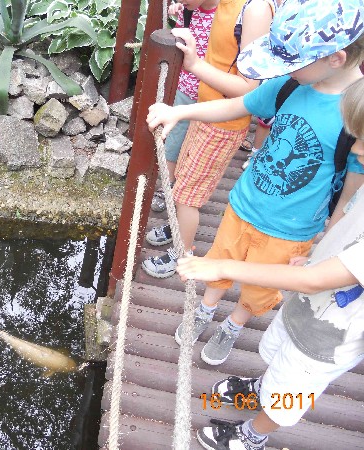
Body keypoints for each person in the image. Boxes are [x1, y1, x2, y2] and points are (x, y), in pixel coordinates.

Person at [146, 0, 364, 366]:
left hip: (292, 229)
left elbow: (349, 197)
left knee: (260, 288)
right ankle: (206, 308)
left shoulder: (356, 114)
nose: (284, 69)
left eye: (292, 61)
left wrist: (323, 249)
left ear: (335, 59)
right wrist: (181, 111)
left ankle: (234, 324)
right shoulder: (290, 85)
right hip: (243, 204)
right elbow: (239, 105)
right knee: (219, 261)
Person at [175, 76, 364, 450]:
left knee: (294, 387)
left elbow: (318, 279)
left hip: (332, 334)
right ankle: (263, 387)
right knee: (281, 357)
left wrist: (223, 268)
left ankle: (253, 434)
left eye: (363, 139)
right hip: (309, 307)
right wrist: (319, 252)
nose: (355, 147)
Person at [141, 0, 276, 269]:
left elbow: (251, 90)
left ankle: (182, 254)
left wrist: (194, 65)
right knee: (183, 181)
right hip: (205, 110)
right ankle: (177, 228)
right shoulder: (221, 5)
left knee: (188, 196)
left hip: (223, 123)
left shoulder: (255, 9)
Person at [150, 0, 219, 215]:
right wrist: (180, 12)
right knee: (174, 140)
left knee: (198, 145)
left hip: (213, 94)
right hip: (186, 90)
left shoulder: (228, 17)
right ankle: (166, 186)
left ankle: (187, 189)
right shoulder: (189, 10)